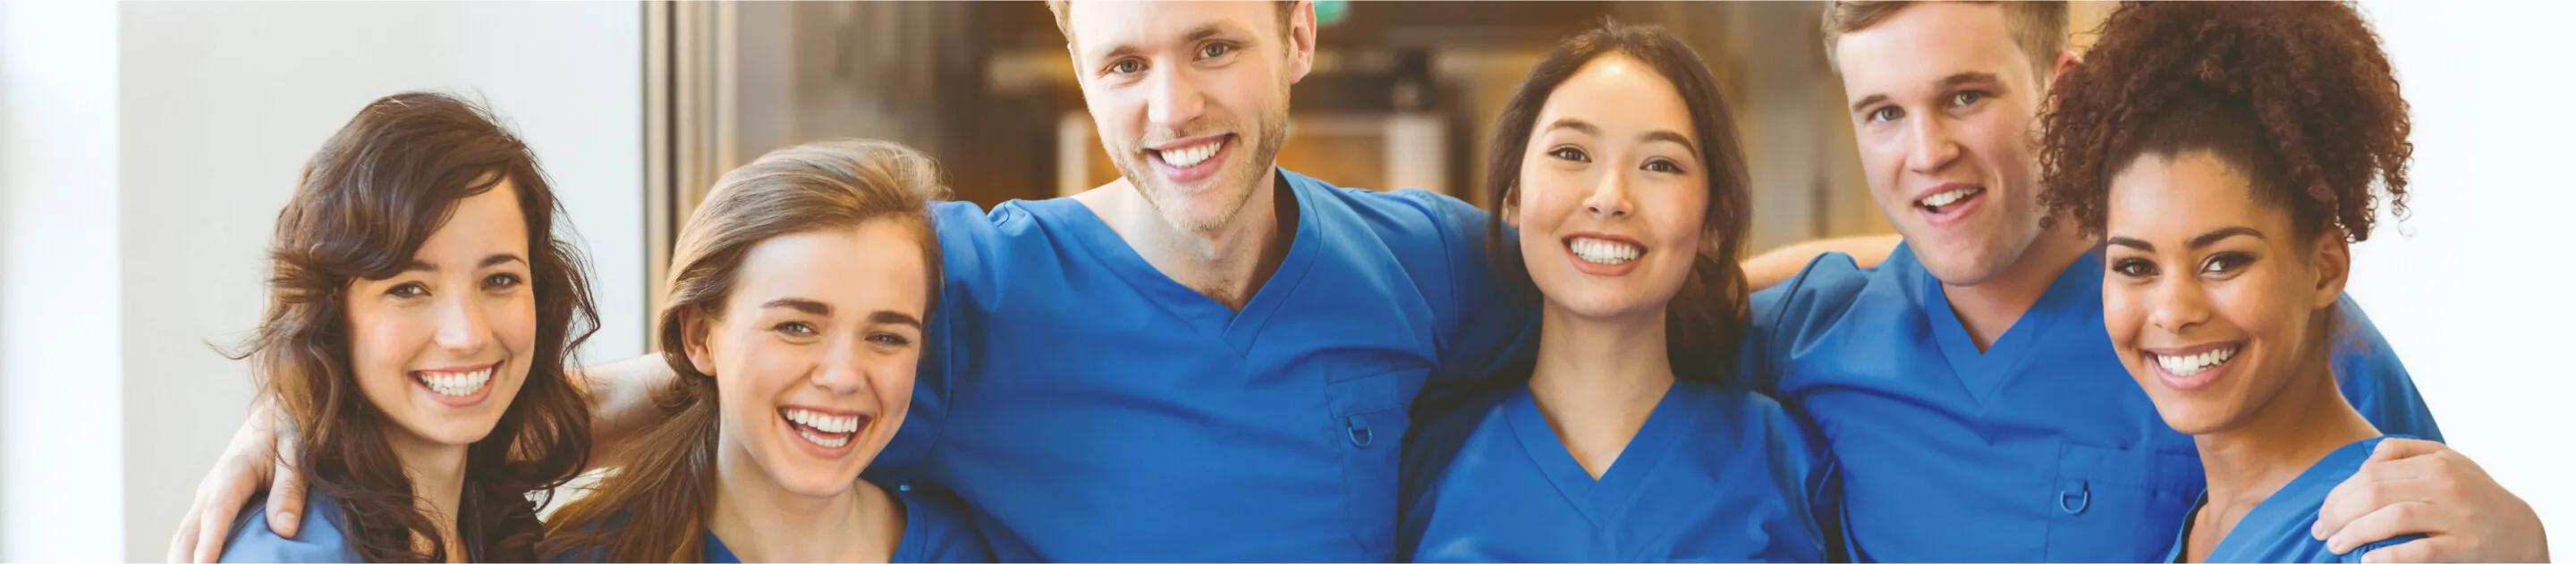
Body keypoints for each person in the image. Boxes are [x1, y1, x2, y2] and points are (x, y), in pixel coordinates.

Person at [174, 3, 1535, 561]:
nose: (1171, 104)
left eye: (1216, 46)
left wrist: (392, 393)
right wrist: (338, 410)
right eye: (1124, 60)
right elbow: (741, 366)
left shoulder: (1418, 257)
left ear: (1301, 36)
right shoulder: (976, 276)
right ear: (1074, 56)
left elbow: (1646, 286)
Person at [1738, 1, 2547, 561]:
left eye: (1966, 96)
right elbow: (1646, 317)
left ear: (2062, 91)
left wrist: (2522, 544)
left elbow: (2426, 511)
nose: (1925, 152)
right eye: (1882, 112)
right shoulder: (1814, 333)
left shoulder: (2264, 331)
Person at [2038, 3, 2482, 562]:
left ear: (2324, 268)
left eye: (2223, 261)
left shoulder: (2381, 537)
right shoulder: (2208, 521)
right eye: (2136, 266)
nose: (2173, 311)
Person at [1396, 20, 1825, 562]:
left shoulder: (1788, 459)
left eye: (1661, 164)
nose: (1610, 197)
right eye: (1572, 153)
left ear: (1712, 224)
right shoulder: (1421, 460)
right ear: (1513, 196)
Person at [541, 139, 990, 562]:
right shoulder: (586, 557)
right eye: (796, 327)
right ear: (699, 336)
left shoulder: (976, 552)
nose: (843, 376)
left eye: (887, 337)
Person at [216, 91, 597, 562]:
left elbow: (697, 390)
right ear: (330, 313)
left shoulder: (482, 522)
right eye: (409, 288)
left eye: (499, 280)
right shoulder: (296, 553)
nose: (469, 335)